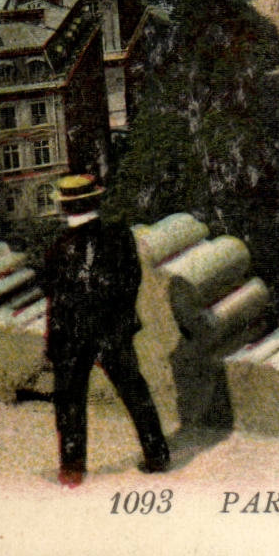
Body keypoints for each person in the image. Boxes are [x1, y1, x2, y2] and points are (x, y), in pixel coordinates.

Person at [42, 175, 170, 488]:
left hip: (73, 334)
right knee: (134, 391)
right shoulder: (120, 235)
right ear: (95, 202)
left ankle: (72, 468)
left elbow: (54, 298)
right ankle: (156, 454)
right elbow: (132, 281)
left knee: (70, 399)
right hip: (112, 329)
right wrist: (121, 321)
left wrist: (54, 341)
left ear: (65, 207)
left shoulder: (57, 248)